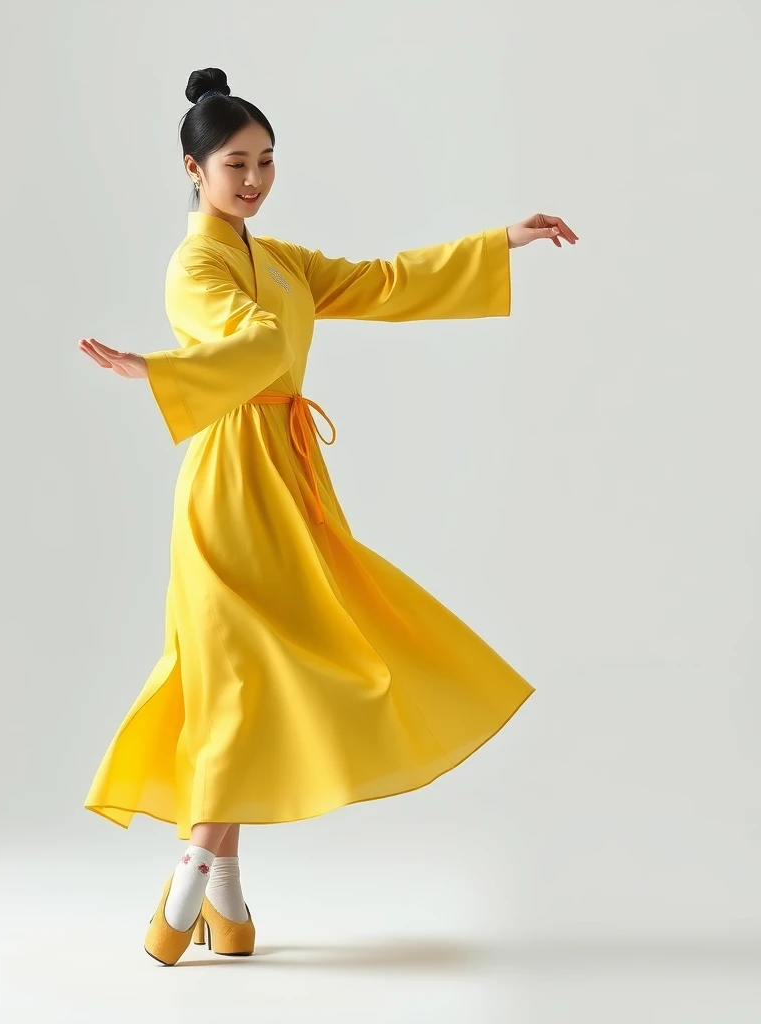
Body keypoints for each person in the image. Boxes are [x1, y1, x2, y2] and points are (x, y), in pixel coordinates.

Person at [79, 66, 577, 966]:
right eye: (237, 164)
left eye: (267, 161)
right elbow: (256, 344)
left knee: (278, 673)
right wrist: (160, 372)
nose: (255, 180)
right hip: (230, 481)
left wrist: (498, 242)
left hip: (290, 475)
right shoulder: (195, 264)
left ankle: (219, 893)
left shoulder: (278, 259)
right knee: (234, 674)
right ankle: (195, 874)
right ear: (192, 168)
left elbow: (379, 280)